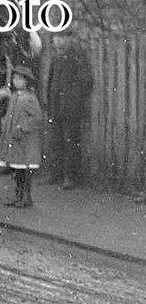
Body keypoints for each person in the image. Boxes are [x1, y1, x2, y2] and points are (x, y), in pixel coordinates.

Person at [43, 28, 94, 190]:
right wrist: (49, 101)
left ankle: (71, 177)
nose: (58, 41)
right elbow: (51, 82)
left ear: (70, 39)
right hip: (56, 106)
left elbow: (86, 81)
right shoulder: (55, 57)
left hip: (71, 108)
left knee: (71, 142)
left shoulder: (78, 56)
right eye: (56, 37)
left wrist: (73, 99)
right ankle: (55, 174)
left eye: (62, 37)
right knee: (55, 141)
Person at [0, 65, 45, 207]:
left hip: (25, 141)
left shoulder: (30, 98)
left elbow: (36, 117)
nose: (16, 81)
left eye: (19, 79)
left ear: (26, 81)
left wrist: (22, 127)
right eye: (14, 78)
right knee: (17, 169)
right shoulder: (14, 96)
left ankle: (26, 197)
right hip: (16, 141)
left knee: (25, 170)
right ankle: (18, 196)